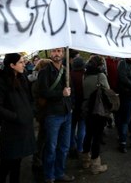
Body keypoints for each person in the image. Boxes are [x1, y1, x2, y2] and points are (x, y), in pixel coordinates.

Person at [0, 53, 36, 183]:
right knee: (7, 163)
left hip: (24, 126)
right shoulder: (0, 81)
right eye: (21, 62)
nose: (24, 64)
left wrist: (30, 111)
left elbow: (30, 99)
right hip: (11, 129)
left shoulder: (22, 78)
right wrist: (16, 117)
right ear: (12, 65)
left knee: (17, 162)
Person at [38, 48, 75, 183]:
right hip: (52, 115)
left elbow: (73, 91)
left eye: (59, 51)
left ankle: (59, 172)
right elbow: (43, 92)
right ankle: (49, 176)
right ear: (50, 53)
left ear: (63, 53)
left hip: (66, 113)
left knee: (64, 147)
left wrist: (71, 106)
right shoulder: (44, 72)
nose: (56, 54)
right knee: (51, 147)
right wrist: (61, 94)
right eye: (54, 51)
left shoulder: (66, 71)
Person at [81, 55, 109, 174]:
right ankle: (96, 166)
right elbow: (107, 91)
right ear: (100, 65)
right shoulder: (100, 76)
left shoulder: (85, 75)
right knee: (97, 137)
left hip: (87, 109)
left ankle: (85, 160)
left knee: (88, 135)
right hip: (98, 110)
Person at [29, 59, 52, 171]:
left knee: (43, 135)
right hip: (43, 110)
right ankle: (37, 158)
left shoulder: (34, 78)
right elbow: (41, 96)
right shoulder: (39, 80)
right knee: (43, 136)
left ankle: (38, 157)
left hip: (40, 110)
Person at [69, 57, 86, 159]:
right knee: (82, 128)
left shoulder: (69, 75)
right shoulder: (85, 75)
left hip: (72, 105)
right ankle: (80, 148)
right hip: (83, 105)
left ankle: (72, 147)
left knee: (71, 128)